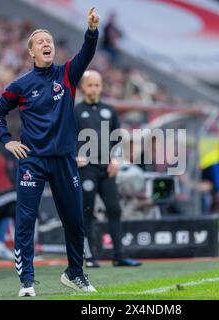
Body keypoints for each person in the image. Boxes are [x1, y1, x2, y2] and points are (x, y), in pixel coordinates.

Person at [0, 8, 100, 297]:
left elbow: (87, 54)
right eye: (39, 41)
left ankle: (74, 272)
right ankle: (27, 281)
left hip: (64, 160)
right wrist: (7, 140)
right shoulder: (21, 85)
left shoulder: (67, 74)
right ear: (31, 52)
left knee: (75, 220)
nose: (46, 43)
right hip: (33, 161)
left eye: (48, 39)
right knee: (25, 222)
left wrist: (91, 31)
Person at [74, 70, 142, 268]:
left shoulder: (109, 110)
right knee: (87, 212)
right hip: (87, 168)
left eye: (97, 85)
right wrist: (74, 156)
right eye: (90, 85)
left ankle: (119, 255)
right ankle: (89, 256)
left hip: (107, 168)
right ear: (83, 87)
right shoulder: (76, 111)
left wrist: (116, 160)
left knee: (114, 209)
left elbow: (117, 138)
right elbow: (67, 136)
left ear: (101, 87)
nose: (93, 88)